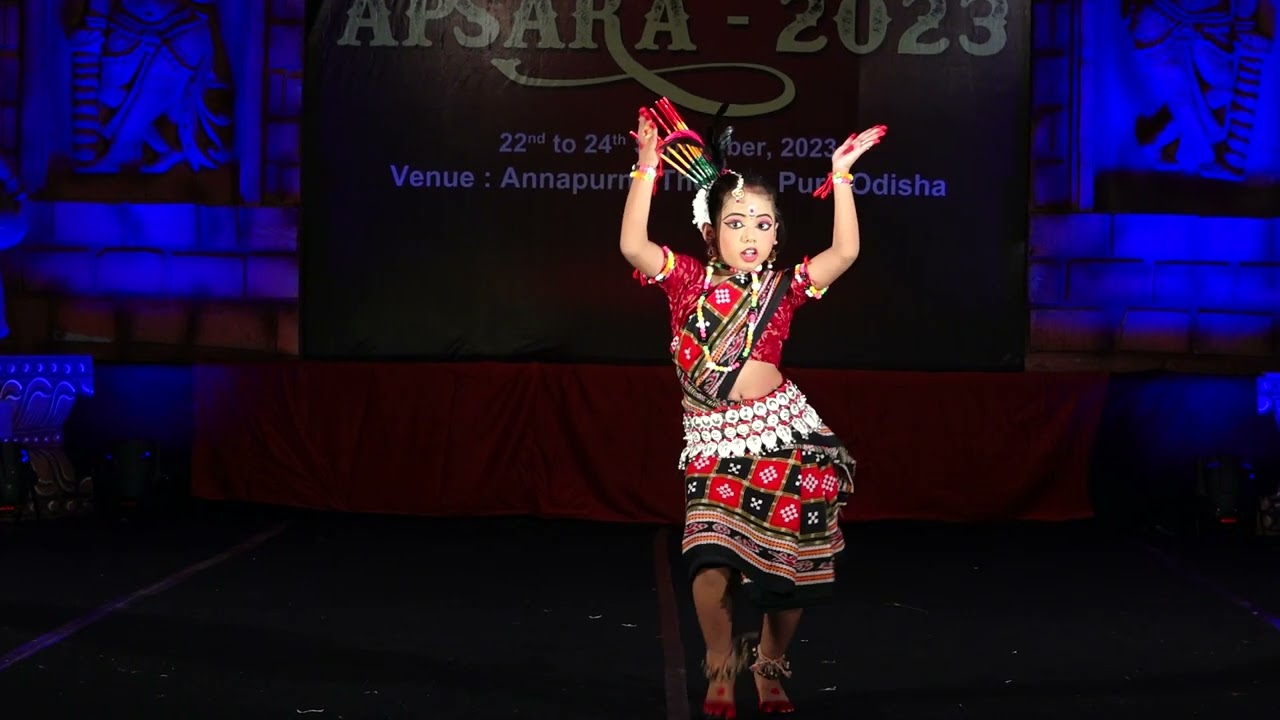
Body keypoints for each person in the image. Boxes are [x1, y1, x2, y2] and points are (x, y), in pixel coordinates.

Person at [619, 100, 885, 718]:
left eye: (765, 225)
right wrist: (646, 166)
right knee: (708, 554)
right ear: (711, 230)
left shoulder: (784, 288)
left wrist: (841, 176)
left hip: (784, 435)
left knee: (784, 573)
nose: (752, 234)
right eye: (738, 222)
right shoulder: (685, 279)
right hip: (712, 437)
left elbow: (843, 253)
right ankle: (721, 666)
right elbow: (633, 243)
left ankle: (768, 666)